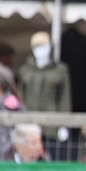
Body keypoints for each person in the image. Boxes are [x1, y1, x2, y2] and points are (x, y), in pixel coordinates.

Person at [18, 31, 73, 160]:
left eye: (43, 45)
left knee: (54, 159)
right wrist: (20, 120)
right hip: (30, 123)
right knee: (31, 159)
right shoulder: (25, 70)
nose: (40, 50)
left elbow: (64, 99)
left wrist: (64, 124)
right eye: (37, 46)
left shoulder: (60, 71)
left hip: (52, 125)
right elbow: (21, 97)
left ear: (50, 47)